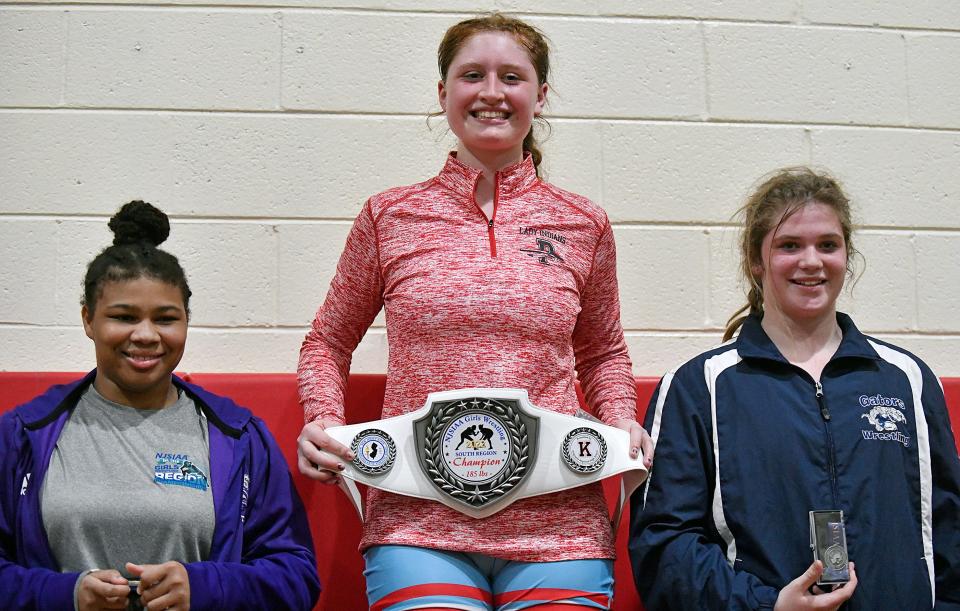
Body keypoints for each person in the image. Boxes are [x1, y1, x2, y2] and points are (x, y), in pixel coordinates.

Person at [296, 13, 653, 611]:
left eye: (511, 77)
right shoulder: (390, 215)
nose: (491, 92)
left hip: (559, 524)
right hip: (416, 523)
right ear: (444, 95)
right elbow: (327, 342)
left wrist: (621, 420)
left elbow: (603, 353)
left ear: (539, 97)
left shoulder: (583, 222)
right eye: (472, 75)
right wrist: (323, 420)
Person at [629, 167, 960, 609]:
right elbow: (663, 547)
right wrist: (768, 606)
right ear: (756, 261)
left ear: (847, 255)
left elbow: (948, 527)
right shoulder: (699, 387)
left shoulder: (907, 380)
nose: (811, 261)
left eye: (828, 244)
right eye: (789, 246)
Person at [0, 201, 320, 611]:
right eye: (124, 316)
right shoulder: (25, 434)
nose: (146, 335)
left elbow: (296, 576)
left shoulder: (238, 436)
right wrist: (65, 596)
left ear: (186, 320)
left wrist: (203, 587)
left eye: (166, 318)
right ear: (88, 320)